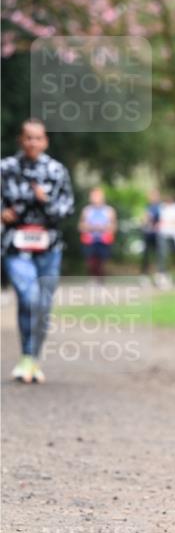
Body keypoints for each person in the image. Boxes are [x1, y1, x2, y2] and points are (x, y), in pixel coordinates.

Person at [1, 118, 75, 383]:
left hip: (49, 246)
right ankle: (26, 357)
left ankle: (32, 358)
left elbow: (68, 208)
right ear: (21, 140)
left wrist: (46, 202)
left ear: (45, 141)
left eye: (38, 138)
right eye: (28, 137)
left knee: (43, 304)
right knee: (29, 296)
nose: (33, 142)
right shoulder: (5, 168)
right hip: (15, 245)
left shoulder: (56, 171)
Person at [78, 187, 117, 280]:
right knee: (91, 262)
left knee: (102, 262)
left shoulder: (109, 210)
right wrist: (91, 227)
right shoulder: (87, 210)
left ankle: (100, 281)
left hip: (104, 240)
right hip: (90, 240)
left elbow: (114, 226)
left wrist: (103, 228)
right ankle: (92, 279)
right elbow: (80, 226)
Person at [140, 188, 161, 279]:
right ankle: (144, 274)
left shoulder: (161, 207)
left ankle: (159, 274)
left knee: (159, 255)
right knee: (146, 255)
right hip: (148, 234)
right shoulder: (147, 207)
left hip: (159, 235)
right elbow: (144, 220)